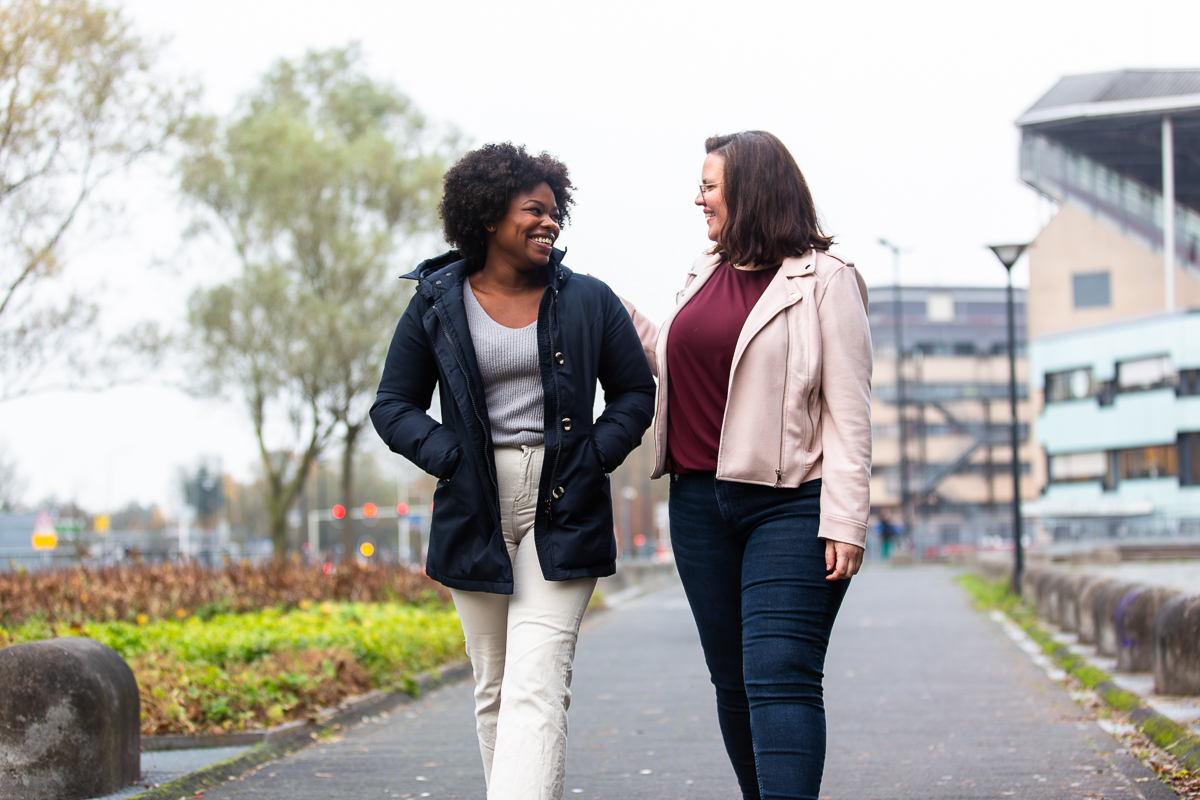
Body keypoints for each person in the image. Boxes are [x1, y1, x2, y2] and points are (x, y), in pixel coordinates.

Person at [370, 143, 655, 800]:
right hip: (475, 506)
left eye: (556, 212)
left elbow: (635, 394)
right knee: (495, 688)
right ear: (489, 215)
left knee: (537, 684)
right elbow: (393, 405)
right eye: (535, 210)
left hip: (566, 501)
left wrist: (594, 457)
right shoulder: (437, 302)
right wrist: (451, 459)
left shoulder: (588, 300)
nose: (550, 222)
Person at [622, 131, 873, 800]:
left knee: (781, 669)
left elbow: (850, 413)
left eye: (708, 185)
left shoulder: (826, 280)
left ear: (751, 189)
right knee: (732, 681)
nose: (697, 198)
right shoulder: (703, 274)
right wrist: (602, 302)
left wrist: (846, 521)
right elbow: (675, 363)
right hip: (700, 505)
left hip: (792, 502)